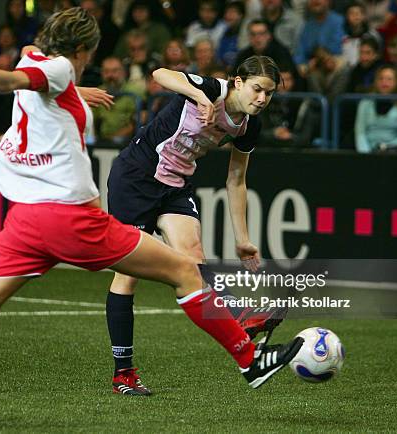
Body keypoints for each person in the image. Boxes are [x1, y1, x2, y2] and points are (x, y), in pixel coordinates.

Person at [0, 8, 303, 419]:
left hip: (24, 224)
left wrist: (55, 84)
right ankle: (249, 360)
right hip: (75, 220)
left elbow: (26, 78)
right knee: (185, 270)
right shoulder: (59, 69)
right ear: (81, 51)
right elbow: (21, 79)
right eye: (88, 55)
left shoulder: (34, 60)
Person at [104, 55, 290, 396]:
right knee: (127, 275)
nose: (263, 99)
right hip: (136, 177)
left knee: (193, 258)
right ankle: (124, 373)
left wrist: (243, 239)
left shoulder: (250, 125)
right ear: (238, 82)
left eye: (269, 93)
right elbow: (159, 73)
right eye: (257, 89)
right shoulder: (210, 89)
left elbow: (236, 179)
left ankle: (239, 318)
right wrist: (201, 97)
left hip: (175, 183)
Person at [354, 65, 397, 153]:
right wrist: (365, 154)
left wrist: (386, 148)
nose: (384, 82)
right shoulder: (366, 101)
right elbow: (360, 132)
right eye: (381, 79)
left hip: (394, 151)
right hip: (367, 151)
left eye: (389, 79)